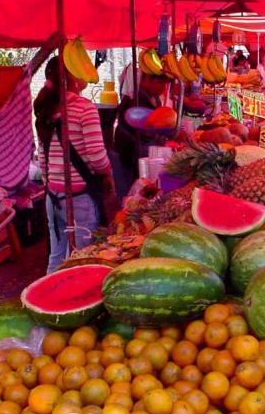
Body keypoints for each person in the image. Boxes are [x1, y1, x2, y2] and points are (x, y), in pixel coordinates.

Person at [34, 57, 115, 273]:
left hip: (52, 197)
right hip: (79, 198)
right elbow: (97, 156)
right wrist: (108, 173)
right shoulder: (84, 108)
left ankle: (48, 292)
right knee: (83, 258)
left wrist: (51, 185)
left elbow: (43, 158)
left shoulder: (47, 110)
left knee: (56, 255)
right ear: (73, 76)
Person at [114, 72, 168, 190]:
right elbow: (145, 127)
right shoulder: (136, 98)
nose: (163, 87)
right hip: (129, 153)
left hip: (141, 151)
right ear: (146, 79)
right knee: (132, 188)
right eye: (160, 82)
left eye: (165, 83)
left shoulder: (154, 97)